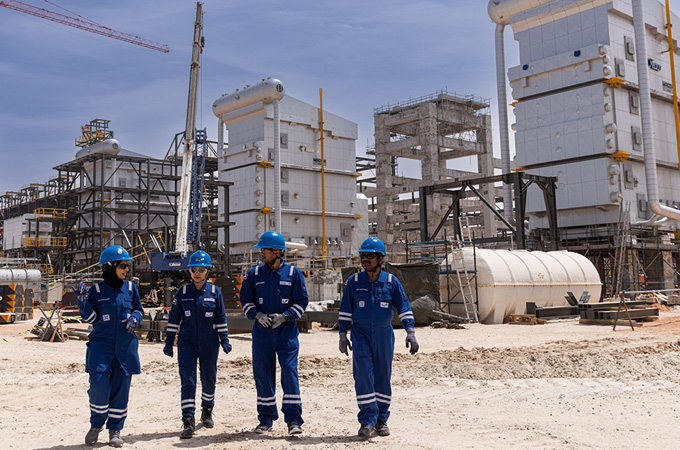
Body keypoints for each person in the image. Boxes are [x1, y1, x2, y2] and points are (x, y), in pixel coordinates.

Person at [338, 237, 419, 439]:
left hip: (383, 336)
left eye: (370, 256)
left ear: (380, 259)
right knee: (363, 376)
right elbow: (346, 309)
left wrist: (410, 331)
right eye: (363, 256)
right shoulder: (354, 282)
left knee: (383, 377)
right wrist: (342, 334)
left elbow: (403, 306)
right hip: (360, 336)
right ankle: (367, 421)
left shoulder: (391, 282)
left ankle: (381, 420)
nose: (365, 259)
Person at [238, 231, 308, 435]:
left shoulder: (294, 274)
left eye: (265, 250)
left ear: (277, 252)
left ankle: (293, 420)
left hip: (286, 333)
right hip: (262, 334)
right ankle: (266, 419)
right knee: (263, 375)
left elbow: (302, 301)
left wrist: (285, 316)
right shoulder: (254, 274)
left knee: (289, 372)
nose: (261, 254)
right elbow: (245, 299)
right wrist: (258, 315)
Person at [75, 245, 144, 447]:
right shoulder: (96, 291)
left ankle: (115, 430)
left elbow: (139, 309)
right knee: (99, 385)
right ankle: (96, 425)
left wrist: (135, 317)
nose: (126, 269)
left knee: (121, 389)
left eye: (127, 266)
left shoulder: (131, 288)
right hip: (101, 345)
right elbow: (91, 318)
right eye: (123, 266)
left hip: (125, 346)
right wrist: (82, 301)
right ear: (110, 266)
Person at [163, 250, 232, 439]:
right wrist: (169, 341)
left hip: (210, 343)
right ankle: (188, 420)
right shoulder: (183, 292)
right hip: (187, 343)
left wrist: (224, 339)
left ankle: (207, 411)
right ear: (190, 271)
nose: (197, 273)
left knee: (209, 378)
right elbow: (174, 318)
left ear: (208, 270)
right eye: (194, 269)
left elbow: (220, 318)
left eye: (201, 270)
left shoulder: (214, 292)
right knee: (188, 381)